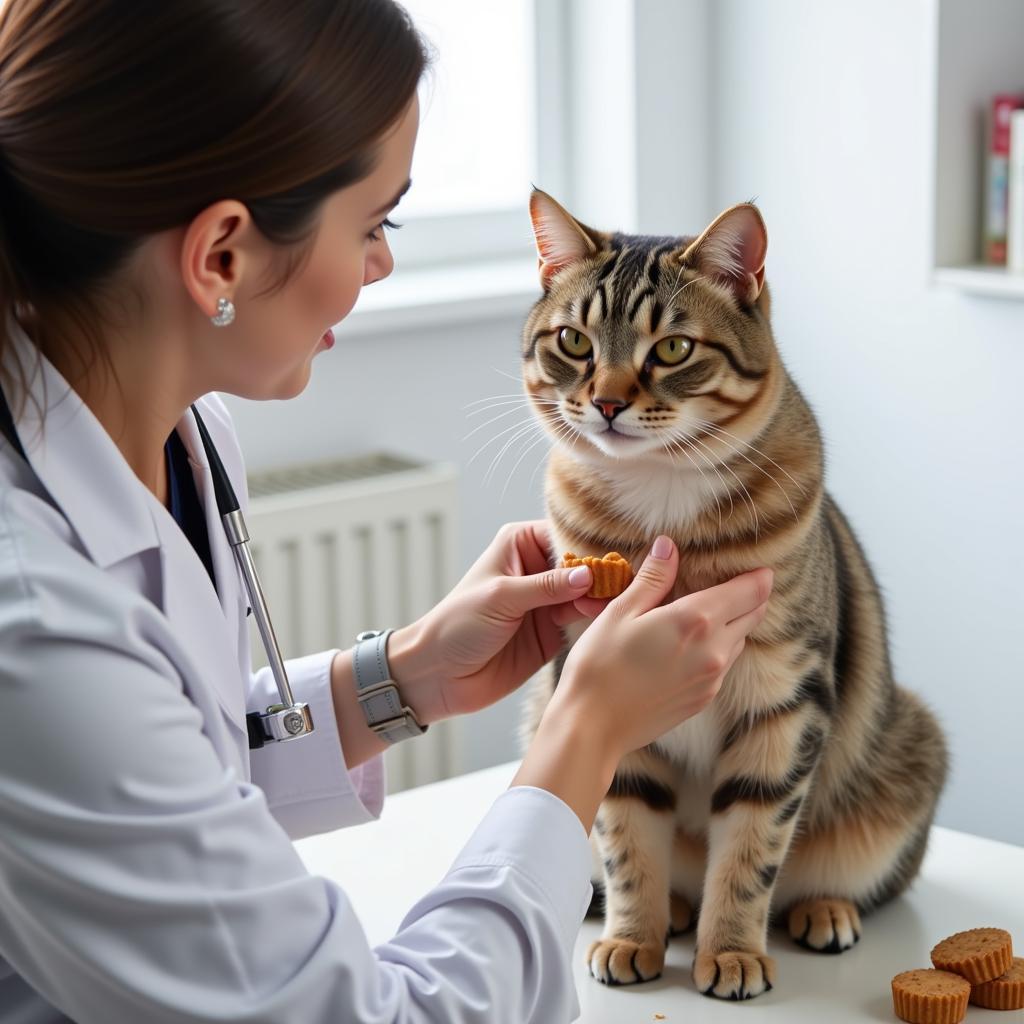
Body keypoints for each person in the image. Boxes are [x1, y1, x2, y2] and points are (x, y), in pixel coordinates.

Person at [0, 1, 773, 1021]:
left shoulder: (184, 435)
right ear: (221, 255)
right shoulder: (33, 622)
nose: (382, 265)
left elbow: (164, 781)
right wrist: (584, 733)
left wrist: (400, 678)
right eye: (376, 224)